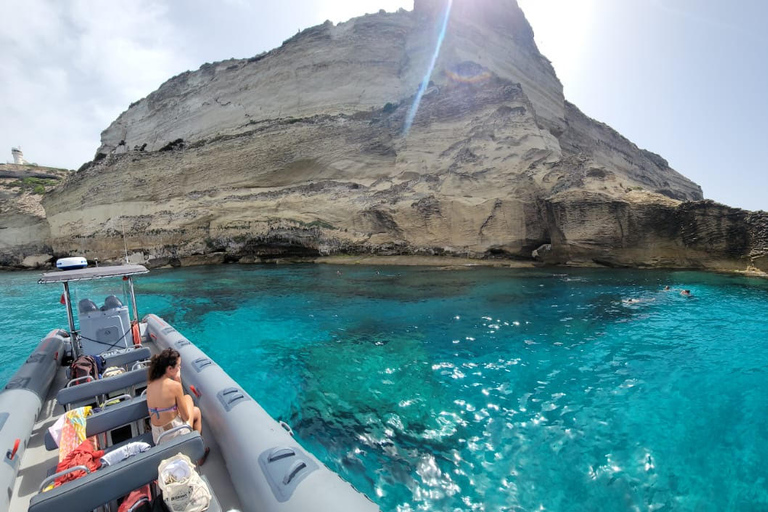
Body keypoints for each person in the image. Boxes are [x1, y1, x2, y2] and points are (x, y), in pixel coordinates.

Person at [146, 348, 209, 464]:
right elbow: (185, 417)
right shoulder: (174, 386)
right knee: (196, 412)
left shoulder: (150, 384)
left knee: (188, 400)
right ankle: (199, 454)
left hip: (158, 437)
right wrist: (178, 380)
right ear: (169, 369)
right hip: (173, 435)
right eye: (178, 366)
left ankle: (198, 449)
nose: (180, 368)